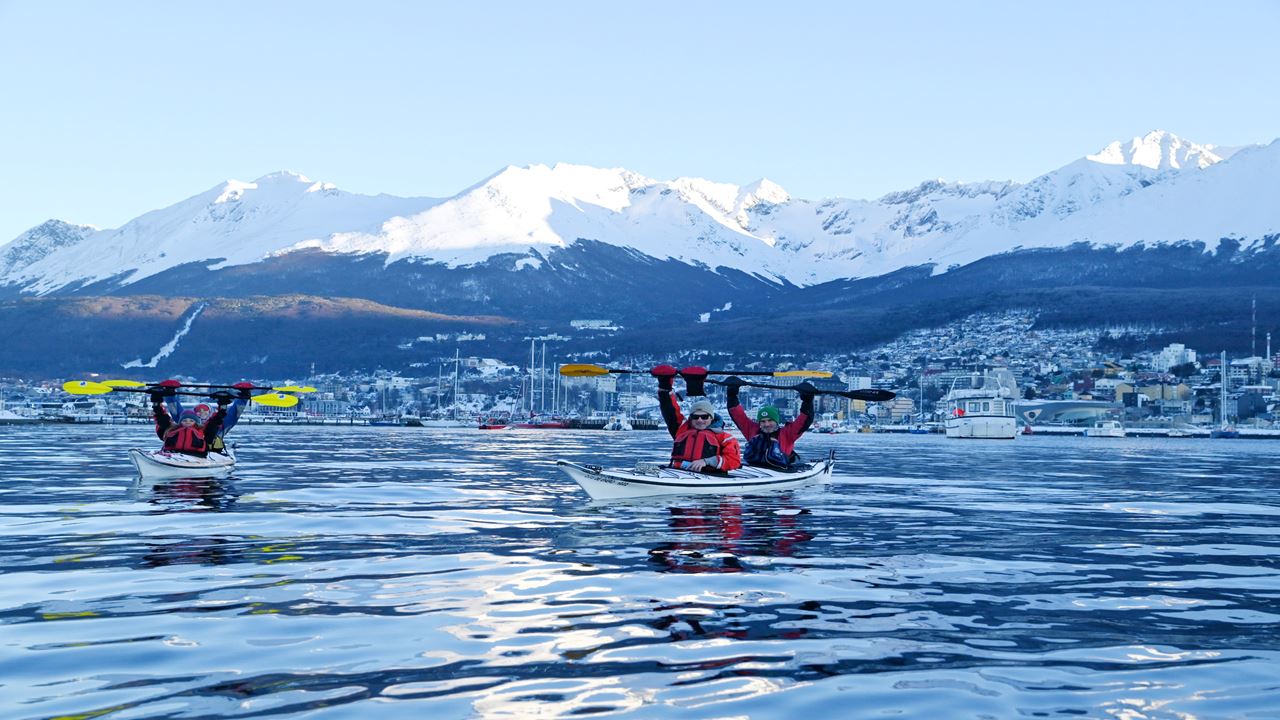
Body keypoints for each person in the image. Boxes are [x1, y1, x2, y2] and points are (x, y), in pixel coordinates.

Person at [651, 365, 741, 473]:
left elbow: (734, 461)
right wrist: (664, 386)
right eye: (695, 417)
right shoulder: (681, 430)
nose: (699, 420)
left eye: (704, 417)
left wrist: (706, 461)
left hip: (710, 478)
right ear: (691, 418)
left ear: (711, 418)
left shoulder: (726, 438)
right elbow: (668, 409)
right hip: (678, 473)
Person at [725, 376, 816, 470]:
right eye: (763, 421)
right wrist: (732, 393)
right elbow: (737, 414)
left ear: (776, 421)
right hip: (754, 471)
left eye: (770, 420)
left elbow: (804, 419)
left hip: (781, 472)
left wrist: (807, 400)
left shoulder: (788, 434)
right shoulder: (752, 430)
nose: (767, 424)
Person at [152, 396, 228, 458]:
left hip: (197, 456)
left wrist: (222, 408)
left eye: (191, 420)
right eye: (184, 420)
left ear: (195, 422)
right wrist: (157, 405)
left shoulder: (202, 431)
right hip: (172, 454)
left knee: (212, 428)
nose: (187, 422)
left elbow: (214, 422)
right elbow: (162, 418)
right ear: (180, 421)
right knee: (163, 423)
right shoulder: (172, 430)